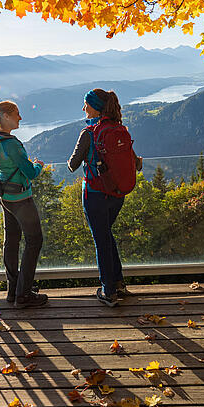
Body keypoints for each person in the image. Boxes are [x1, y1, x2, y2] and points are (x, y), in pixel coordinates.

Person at [67, 88, 142, 306]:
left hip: (95, 194)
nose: (83, 109)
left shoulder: (88, 134)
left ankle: (108, 291)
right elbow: (135, 162)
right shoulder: (120, 129)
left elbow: (72, 165)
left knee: (101, 240)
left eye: (86, 105)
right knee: (106, 235)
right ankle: (118, 283)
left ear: (95, 107)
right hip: (117, 193)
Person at [0, 100, 48, 309]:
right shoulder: (11, 144)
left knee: (11, 241)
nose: (20, 117)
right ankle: (24, 294)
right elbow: (29, 172)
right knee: (34, 241)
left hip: (5, 198)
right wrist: (38, 166)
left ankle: (13, 290)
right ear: (6, 117)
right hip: (21, 199)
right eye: (17, 114)